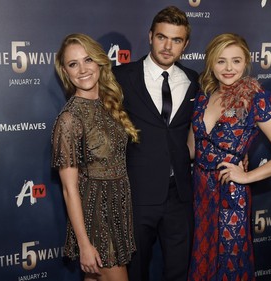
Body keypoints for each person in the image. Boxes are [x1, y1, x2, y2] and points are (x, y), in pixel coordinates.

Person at [187, 33, 271, 281]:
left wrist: (247, 176)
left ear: (246, 62)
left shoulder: (255, 99)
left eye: (236, 61)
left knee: (230, 264)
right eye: (221, 61)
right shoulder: (203, 96)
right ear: (211, 63)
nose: (229, 68)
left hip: (231, 194)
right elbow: (193, 150)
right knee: (203, 261)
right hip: (200, 194)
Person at [112, 6, 199, 281]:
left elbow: (206, 126)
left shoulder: (194, 80)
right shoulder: (121, 77)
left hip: (180, 196)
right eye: (162, 37)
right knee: (136, 271)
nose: (167, 46)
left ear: (185, 44)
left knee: (178, 272)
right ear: (150, 36)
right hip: (137, 196)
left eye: (176, 40)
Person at [51, 33, 139, 281]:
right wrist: (84, 244)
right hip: (96, 216)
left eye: (88, 59)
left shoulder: (109, 102)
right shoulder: (69, 120)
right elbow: (69, 189)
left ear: (99, 61)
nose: (82, 69)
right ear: (65, 72)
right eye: (73, 64)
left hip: (118, 210)